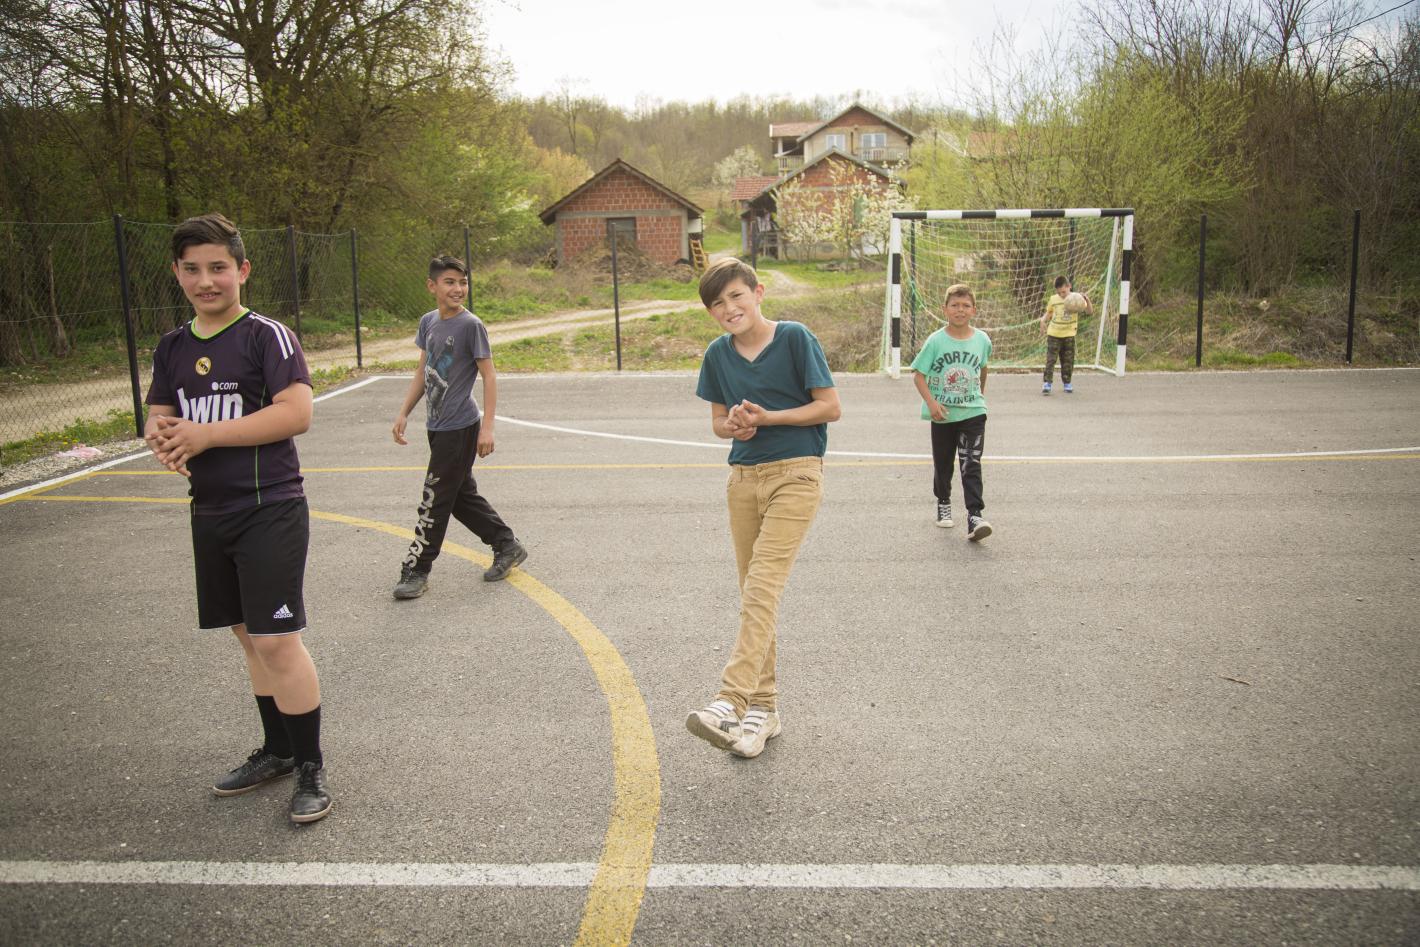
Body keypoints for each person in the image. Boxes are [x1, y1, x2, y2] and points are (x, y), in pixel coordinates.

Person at [144, 213, 331, 824]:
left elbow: (297, 413)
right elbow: (159, 413)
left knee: (276, 638)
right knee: (249, 636)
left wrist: (205, 435)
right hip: (210, 509)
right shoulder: (172, 347)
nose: (206, 281)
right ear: (177, 274)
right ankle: (277, 750)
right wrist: (162, 436)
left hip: (269, 506)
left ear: (242, 270)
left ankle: (310, 767)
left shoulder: (267, 337)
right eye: (193, 269)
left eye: (218, 268)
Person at [686, 258, 840, 759]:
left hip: (796, 473)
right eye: (717, 304)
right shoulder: (717, 354)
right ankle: (764, 709)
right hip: (743, 479)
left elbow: (829, 406)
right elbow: (716, 422)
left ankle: (729, 702)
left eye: (736, 296)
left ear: (758, 292)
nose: (728, 308)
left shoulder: (794, 337)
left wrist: (768, 418)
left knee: (762, 586)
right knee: (754, 593)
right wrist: (734, 424)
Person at [391, 253, 526, 598]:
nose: (458, 288)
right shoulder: (428, 322)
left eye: (463, 282)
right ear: (431, 286)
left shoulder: (471, 325)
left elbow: (489, 376)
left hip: (460, 427)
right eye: (449, 282)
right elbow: (423, 371)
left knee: (435, 499)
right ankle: (506, 544)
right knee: (459, 496)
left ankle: (417, 569)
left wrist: (487, 428)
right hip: (436, 426)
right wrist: (404, 411)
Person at [911, 283, 993, 542]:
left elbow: (983, 368)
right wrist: (932, 403)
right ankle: (943, 501)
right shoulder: (936, 341)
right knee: (943, 463)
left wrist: (979, 396)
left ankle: (975, 516)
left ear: (974, 310)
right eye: (955, 305)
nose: (960, 310)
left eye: (966, 305)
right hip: (943, 414)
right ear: (944, 309)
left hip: (973, 412)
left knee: (971, 462)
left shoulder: (982, 340)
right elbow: (918, 375)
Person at [1040, 276, 1090, 395]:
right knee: (1050, 360)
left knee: (1067, 361)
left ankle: (1067, 383)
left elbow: (1089, 312)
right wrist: (1042, 320)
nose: (1062, 295)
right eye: (1059, 293)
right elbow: (1049, 313)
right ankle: (1047, 383)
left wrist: (1087, 300)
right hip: (1054, 334)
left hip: (1069, 335)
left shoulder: (1076, 299)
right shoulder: (1053, 299)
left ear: (1069, 287)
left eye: (1063, 292)